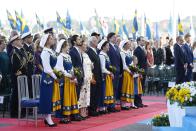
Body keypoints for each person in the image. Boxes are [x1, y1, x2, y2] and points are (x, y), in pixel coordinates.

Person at [55, 39, 82, 123]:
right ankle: (63, 116)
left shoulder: (68, 56)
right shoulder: (60, 56)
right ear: (63, 47)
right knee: (64, 97)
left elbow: (71, 68)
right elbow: (60, 69)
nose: (68, 46)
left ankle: (72, 114)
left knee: (72, 97)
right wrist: (70, 75)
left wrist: (74, 77)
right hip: (65, 80)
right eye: (67, 45)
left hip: (71, 79)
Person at [39, 34, 61, 127]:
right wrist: (56, 77)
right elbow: (47, 68)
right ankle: (48, 118)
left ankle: (47, 117)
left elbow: (54, 65)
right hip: (47, 77)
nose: (53, 40)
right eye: (51, 38)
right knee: (47, 97)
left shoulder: (51, 51)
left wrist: (58, 73)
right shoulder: (45, 52)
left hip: (52, 76)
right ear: (47, 41)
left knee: (51, 97)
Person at [10, 35, 27, 118]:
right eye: (19, 40)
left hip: (22, 75)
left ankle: (21, 112)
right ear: (15, 42)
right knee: (16, 95)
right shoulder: (14, 52)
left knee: (21, 94)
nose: (21, 41)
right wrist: (19, 71)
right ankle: (14, 113)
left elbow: (26, 61)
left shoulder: (21, 50)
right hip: (17, 76)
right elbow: (15, 66)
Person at [86, 36, 102, 116]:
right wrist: (92, 76)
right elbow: (90, 66)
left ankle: (94, 109)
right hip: (93, 76)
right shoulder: (89, 51)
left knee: (96, 93)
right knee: (93, 93)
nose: (97, 41)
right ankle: (91, 110)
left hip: (98, 75)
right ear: (91, 42)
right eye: (95, 40)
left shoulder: (95, 51)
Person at [98, 40, 115, 113]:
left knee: (107, 91)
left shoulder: (105, 55)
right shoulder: (101, 55)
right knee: (104, 91)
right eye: (107, 46)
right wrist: (109, 72)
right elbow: (102, 68)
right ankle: (102, 108)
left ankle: (106, 107)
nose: (109, 47)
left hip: (108, 75)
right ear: (104, 47)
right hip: (104, 76)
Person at [107, 32, 122, 111]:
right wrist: (110, 70)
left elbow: (119, 60)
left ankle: (113, 104)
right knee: (111, 88)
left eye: (116, 37)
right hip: (112, 71)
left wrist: (120, 71)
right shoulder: (108, 46)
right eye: (114, 37)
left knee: (115, 88)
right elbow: (108, 60)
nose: (115, 38)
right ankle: (110, 105)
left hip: (117, 70)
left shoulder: (116, 47)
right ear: (109, 38)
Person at [78, 36, 93, 118]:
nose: (86, 46)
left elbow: (90, 65)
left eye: (86, 45)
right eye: (84, 45)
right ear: (80, 45)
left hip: (88, 77)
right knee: (82, 95)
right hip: (83, 78)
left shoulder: (86, 55)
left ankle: (84, 110)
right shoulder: (80, 54)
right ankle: (81, 111)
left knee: (87, 95)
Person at [119, 40, 136, 110]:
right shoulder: (122, 53)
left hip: (129, 72)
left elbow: (131, 63)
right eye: (128, 44)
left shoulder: (128, 53)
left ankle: (126, 104)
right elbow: (124, 65)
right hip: (126, 72)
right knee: (125, 87)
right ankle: (123, 105)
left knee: (129, 87)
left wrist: (134, 69)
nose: (129, 45)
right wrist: (130, 71)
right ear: (124, 45)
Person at [133, 36, 147, 108]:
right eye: (142, 40)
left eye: (144, 40)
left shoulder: (143, 49)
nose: (143, 41)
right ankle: (136, 102)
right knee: (138, 87)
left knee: (142, 87)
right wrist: (138, 72)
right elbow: (136, 62)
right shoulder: (137, 50)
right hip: (139, 71)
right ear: (138, 41)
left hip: (143, 70)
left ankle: (140, 101)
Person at [69, 35, 84, 99]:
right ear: (74, 42)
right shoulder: (72, 51)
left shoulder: (78, 50)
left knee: (78, 95)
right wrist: (75, 77)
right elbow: (73, 65)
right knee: (76, 96)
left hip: (80, 76)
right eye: (78, 39)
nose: (80, 40)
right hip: (76, 77)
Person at [22, 32, 34, 98]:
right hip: (26, 72)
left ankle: (31, 107)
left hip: (31, 71)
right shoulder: (24, 48)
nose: (31, 38)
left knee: (31, 90)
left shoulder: (30, 47)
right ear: (26, 39)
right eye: (30, 37)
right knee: (27, 91)